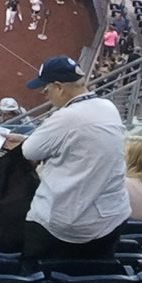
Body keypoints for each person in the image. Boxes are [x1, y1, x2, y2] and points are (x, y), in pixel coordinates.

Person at [12, 55, 129, 262]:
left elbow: (29, 151)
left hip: (68, 224)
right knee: (94, 281)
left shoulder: (66, 117)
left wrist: (24, 141)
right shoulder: (108, 107)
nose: (45, 95)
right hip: (110, 218)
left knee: (40, 280)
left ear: (59, 87)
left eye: (46, 90)